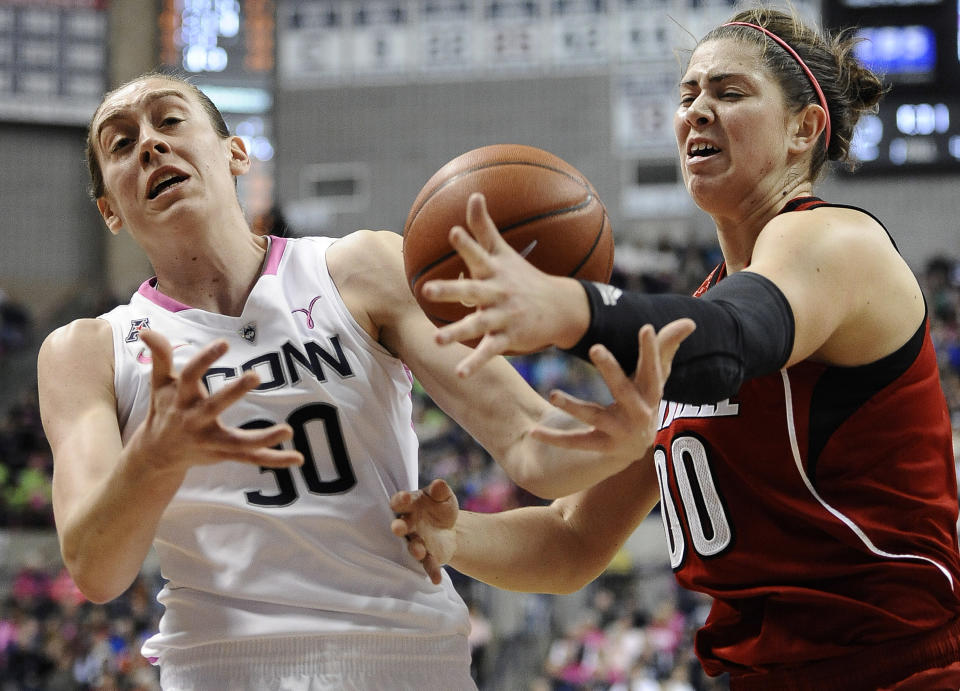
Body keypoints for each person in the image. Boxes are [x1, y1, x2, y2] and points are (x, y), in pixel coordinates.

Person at [36, 70, 692, 690]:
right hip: (221, 666)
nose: (149, 144)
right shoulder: (88, 349)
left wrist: (621, 437)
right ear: (110, 211)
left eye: (170, 121)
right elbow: (97, 569)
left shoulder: (362, 268)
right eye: (122, 144)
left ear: (236, 153)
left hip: (403, 656)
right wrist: (153, 458)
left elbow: (533, 448)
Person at [391, 7, 960, 690]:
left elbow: (737, 339)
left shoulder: (836, 242)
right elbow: (573, 539)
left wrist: (571, 306)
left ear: (804, 128)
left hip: (899, 671)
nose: (697, 111)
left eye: (729, 92)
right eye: (687, 95)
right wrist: (455, 539)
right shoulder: (698, 312)